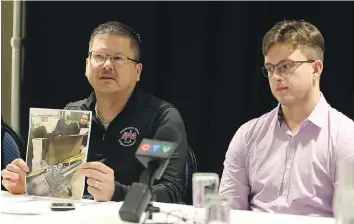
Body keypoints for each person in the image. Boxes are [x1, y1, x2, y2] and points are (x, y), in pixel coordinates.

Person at [1, 21, 190, 203]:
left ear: (138, 71)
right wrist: (27, 185)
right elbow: (54, 188)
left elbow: (170, 192)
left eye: (118, 58)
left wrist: (117, 192)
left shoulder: (161, 119)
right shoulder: (71, 115)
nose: (107, 65)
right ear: (86, 66)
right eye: (99, 56)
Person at [219, 20, 354, 217]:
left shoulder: (346, 136)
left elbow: (349, 217)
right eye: (270, 68)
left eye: (286, 66)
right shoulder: (248, 135)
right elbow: (227, 212)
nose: (276, 77)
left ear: (316, 69)